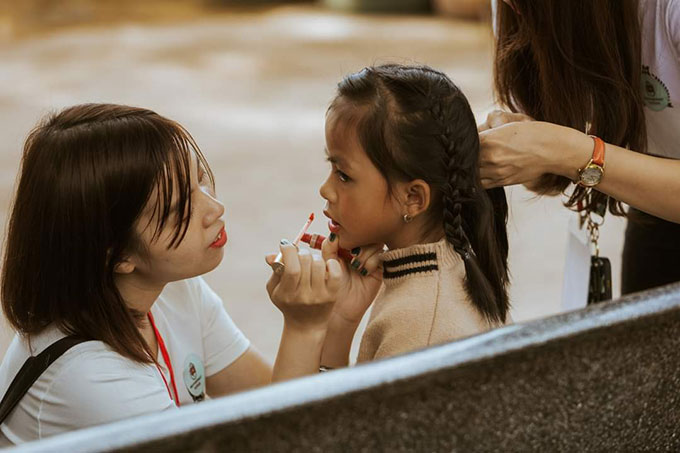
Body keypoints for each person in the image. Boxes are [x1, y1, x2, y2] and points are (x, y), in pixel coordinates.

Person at [0, 104, 341, 445]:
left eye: (200, 180)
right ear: (117, 255)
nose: (214, 209)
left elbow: (276, 400)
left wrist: (342, 317)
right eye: (178, 208)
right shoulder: (91, 376)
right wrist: (304, 326)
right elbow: (286, 442)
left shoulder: (172, 292)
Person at [479, 0, 680, 294]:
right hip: (655, 206)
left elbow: (571, 157)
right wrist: (530, 149)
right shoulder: (519, 7)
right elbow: (548, 177)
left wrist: (573, 153)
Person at [317, 64, 511, 366]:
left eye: (343, 175)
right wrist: (341, 319)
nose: (325, 190)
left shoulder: (422, 325)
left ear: (413, 198)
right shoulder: (442, 271)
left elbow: (344, 415)